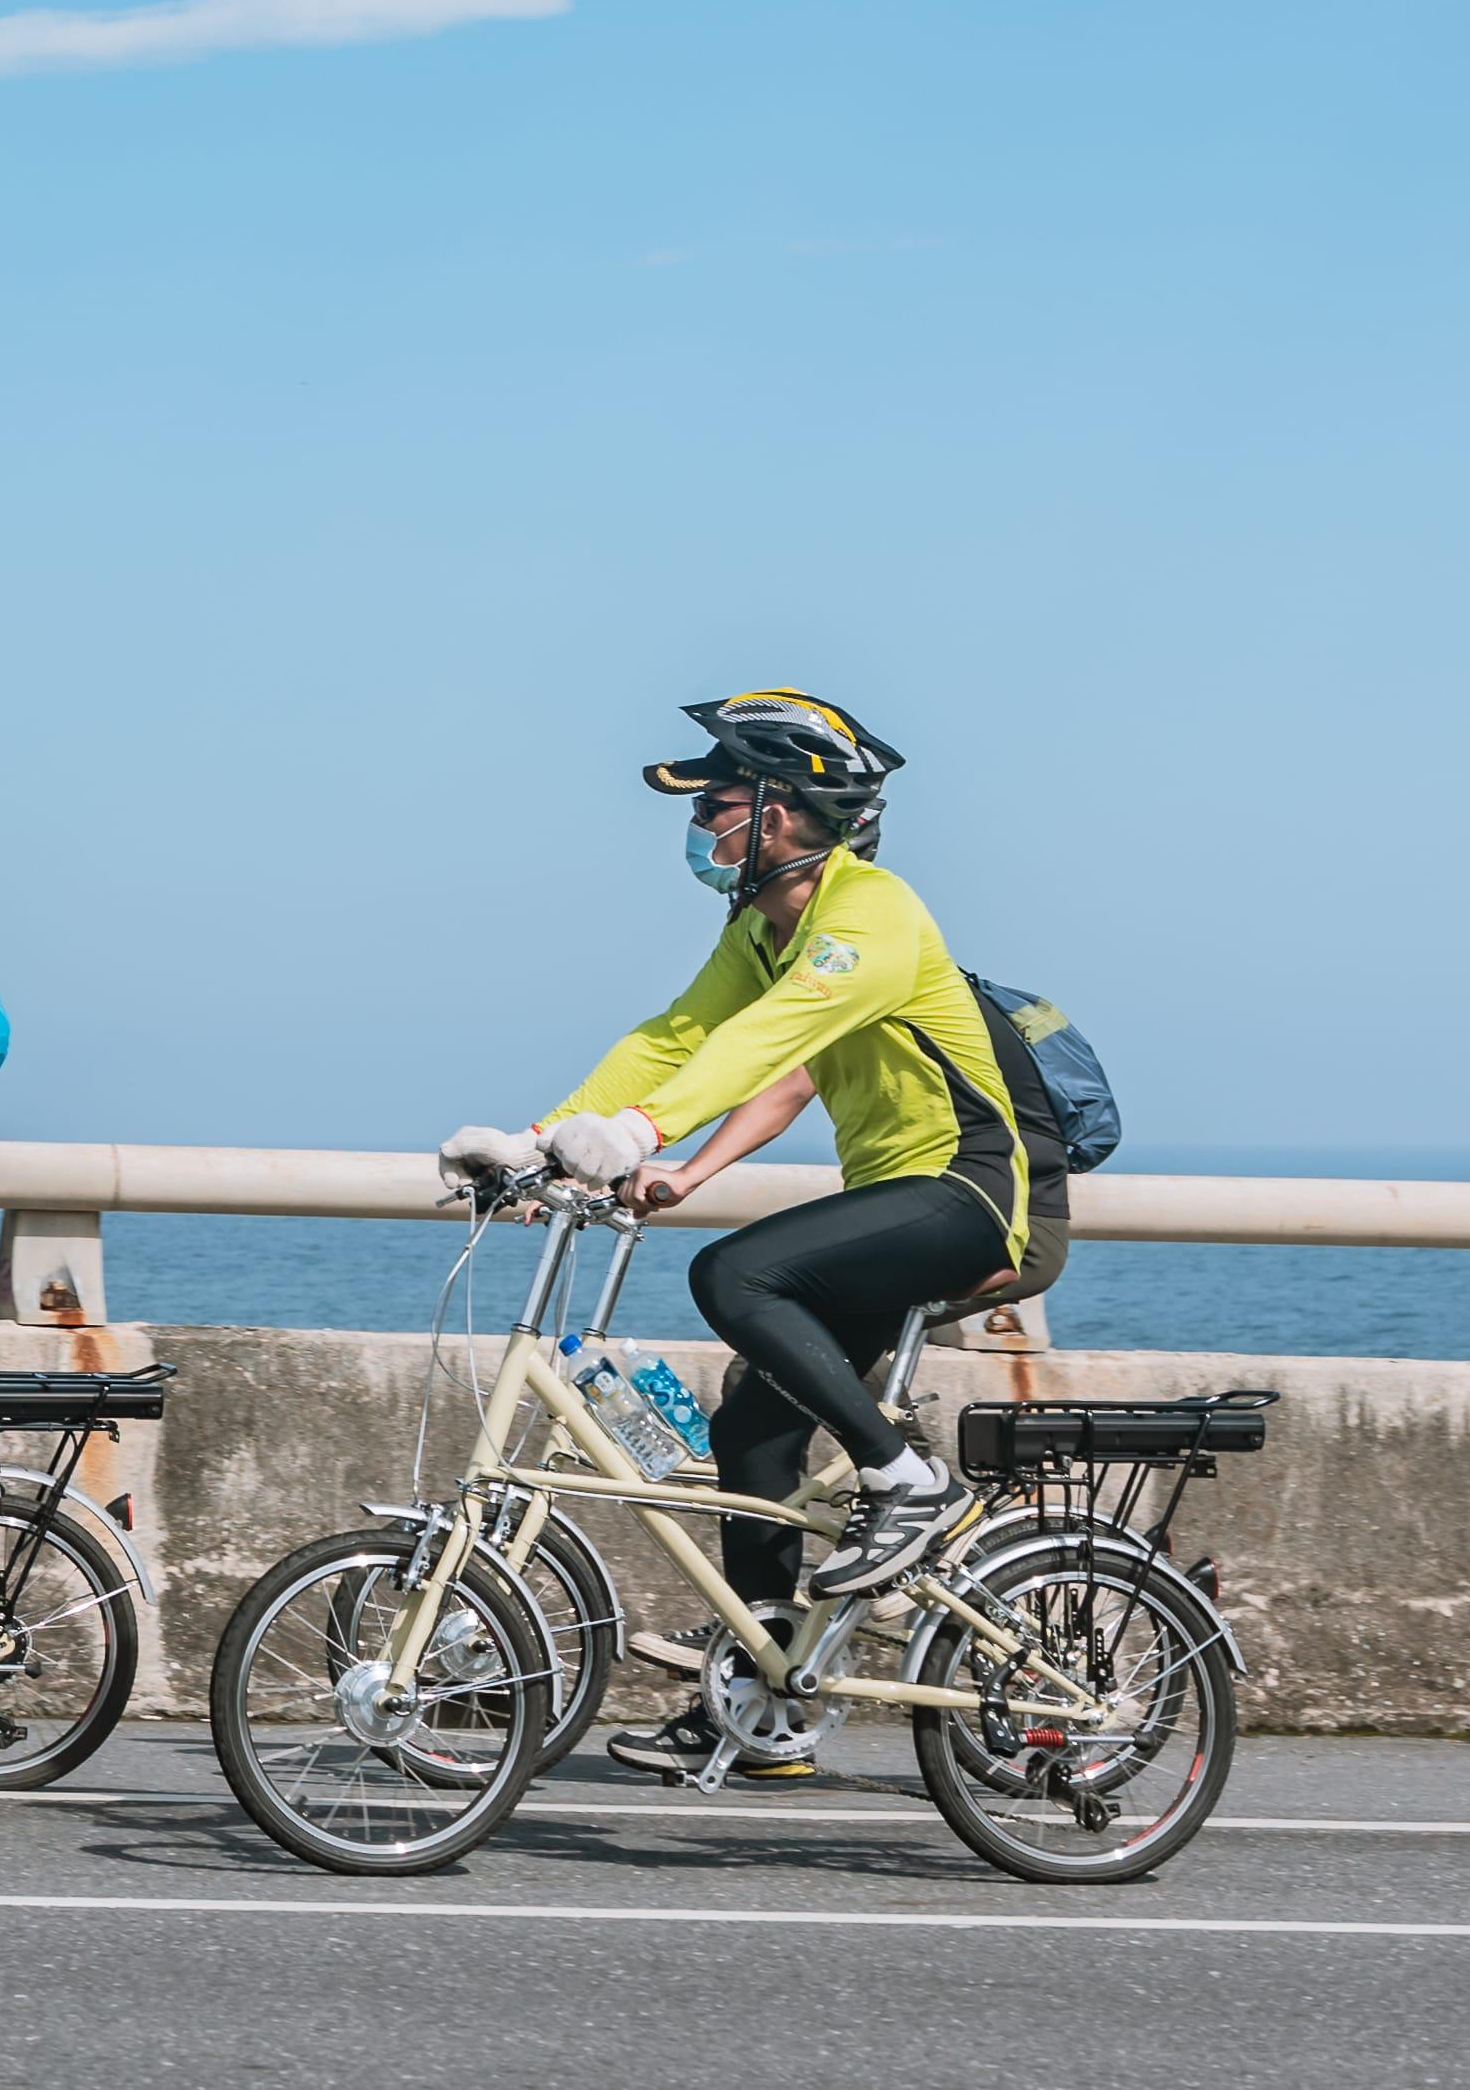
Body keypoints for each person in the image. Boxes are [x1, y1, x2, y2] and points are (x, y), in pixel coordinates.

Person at [437, 689, 1029, 1781]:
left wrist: (640, 1131)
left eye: (715, 802)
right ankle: (764, 1695)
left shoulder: (871, 912)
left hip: (959, 1190)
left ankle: (906, 1483)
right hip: (886, 1199)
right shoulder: (759, 930)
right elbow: (673, 1034)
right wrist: (532, 1139)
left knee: (733, 1269)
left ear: (780, 812)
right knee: (753, 1425)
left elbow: (771, 1040)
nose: (698, 823)